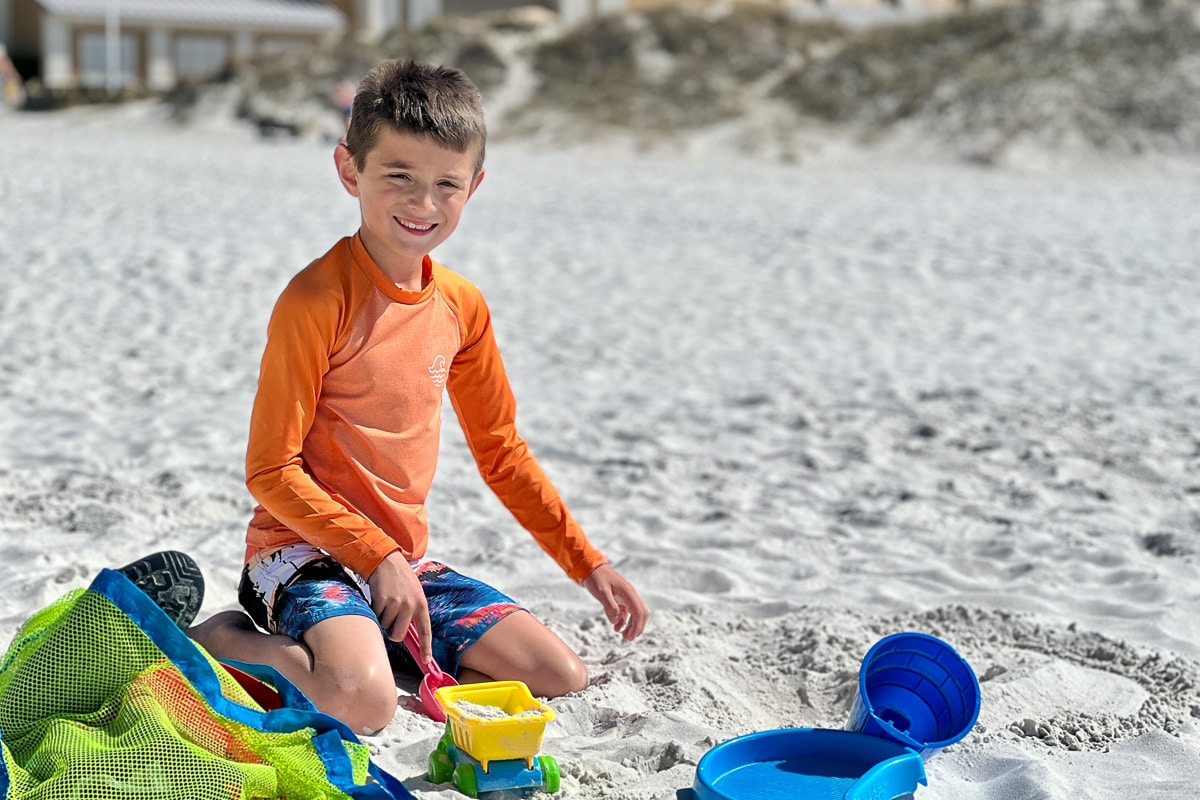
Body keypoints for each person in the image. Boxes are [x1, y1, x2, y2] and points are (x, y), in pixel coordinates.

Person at [190, 59, 649, 736]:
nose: (422, 205)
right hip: (299, 554)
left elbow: (501, 451)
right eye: (398, 177)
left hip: (402, 566)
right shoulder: (317, 299)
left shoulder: (461, 305)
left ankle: (372, 650)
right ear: (350, 171)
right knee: (361, 705)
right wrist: (375, 557)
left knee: (559, 675)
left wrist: (589, 563)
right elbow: (270, 470)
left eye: (446, 185)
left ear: (475, 186)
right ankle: (224, 639)